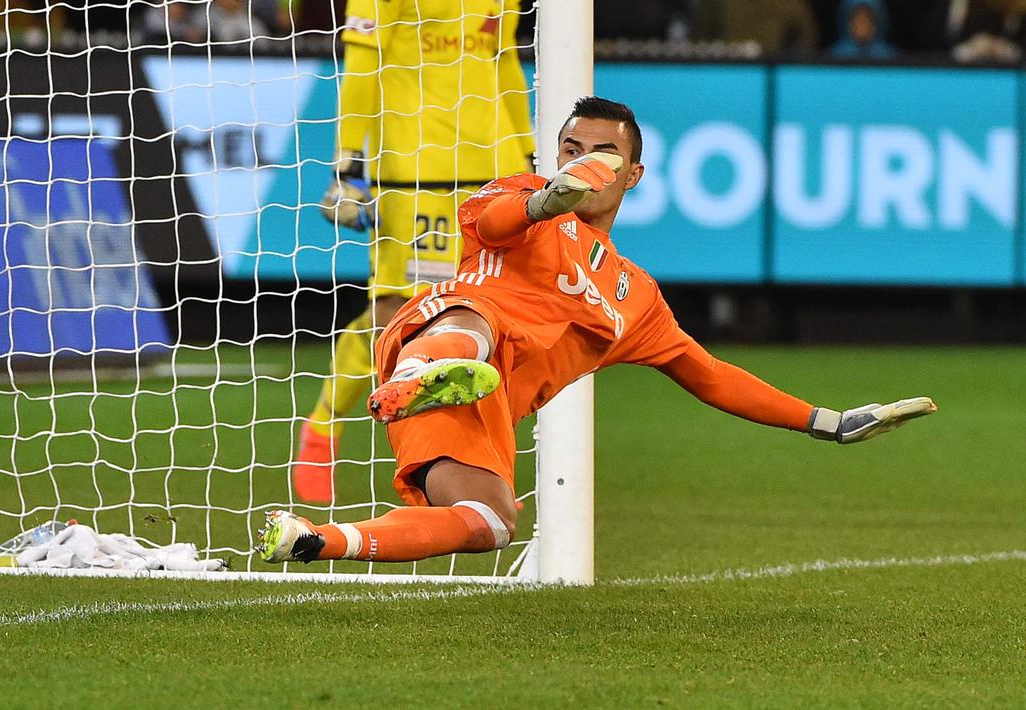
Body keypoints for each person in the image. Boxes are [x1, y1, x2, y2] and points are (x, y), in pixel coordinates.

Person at [257, 96, 937, 565]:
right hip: (436, 335)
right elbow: (491, 225)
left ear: (632, 174)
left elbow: (711, 376)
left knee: (491, 522)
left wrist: (824, 421)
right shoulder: (516, 196)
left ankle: (318, 539)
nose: (583, 163)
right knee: (480, 320)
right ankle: (418, 374)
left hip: (477, 407)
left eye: (603, 155)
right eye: (570, 149)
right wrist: (540, 201)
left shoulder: (635, 296)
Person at [292, 0, 535, 503]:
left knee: (482, 313)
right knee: (395, 313)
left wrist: (527, 152)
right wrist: (348, 162)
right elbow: (362, 65)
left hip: (492, 165)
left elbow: (504, 58)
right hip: (410, 170)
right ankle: (325, 425)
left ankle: (449, 458)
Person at [693, 0, 819, 54]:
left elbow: (805, 38)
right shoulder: (718, 3)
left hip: (771, 74)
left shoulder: (790, 4)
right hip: (725, 73)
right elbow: (701, 39)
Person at [830, 0, 896, 57]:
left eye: (867, 20)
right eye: (856, 20)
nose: (861, 25)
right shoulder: (834, 55)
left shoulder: (890, 56)